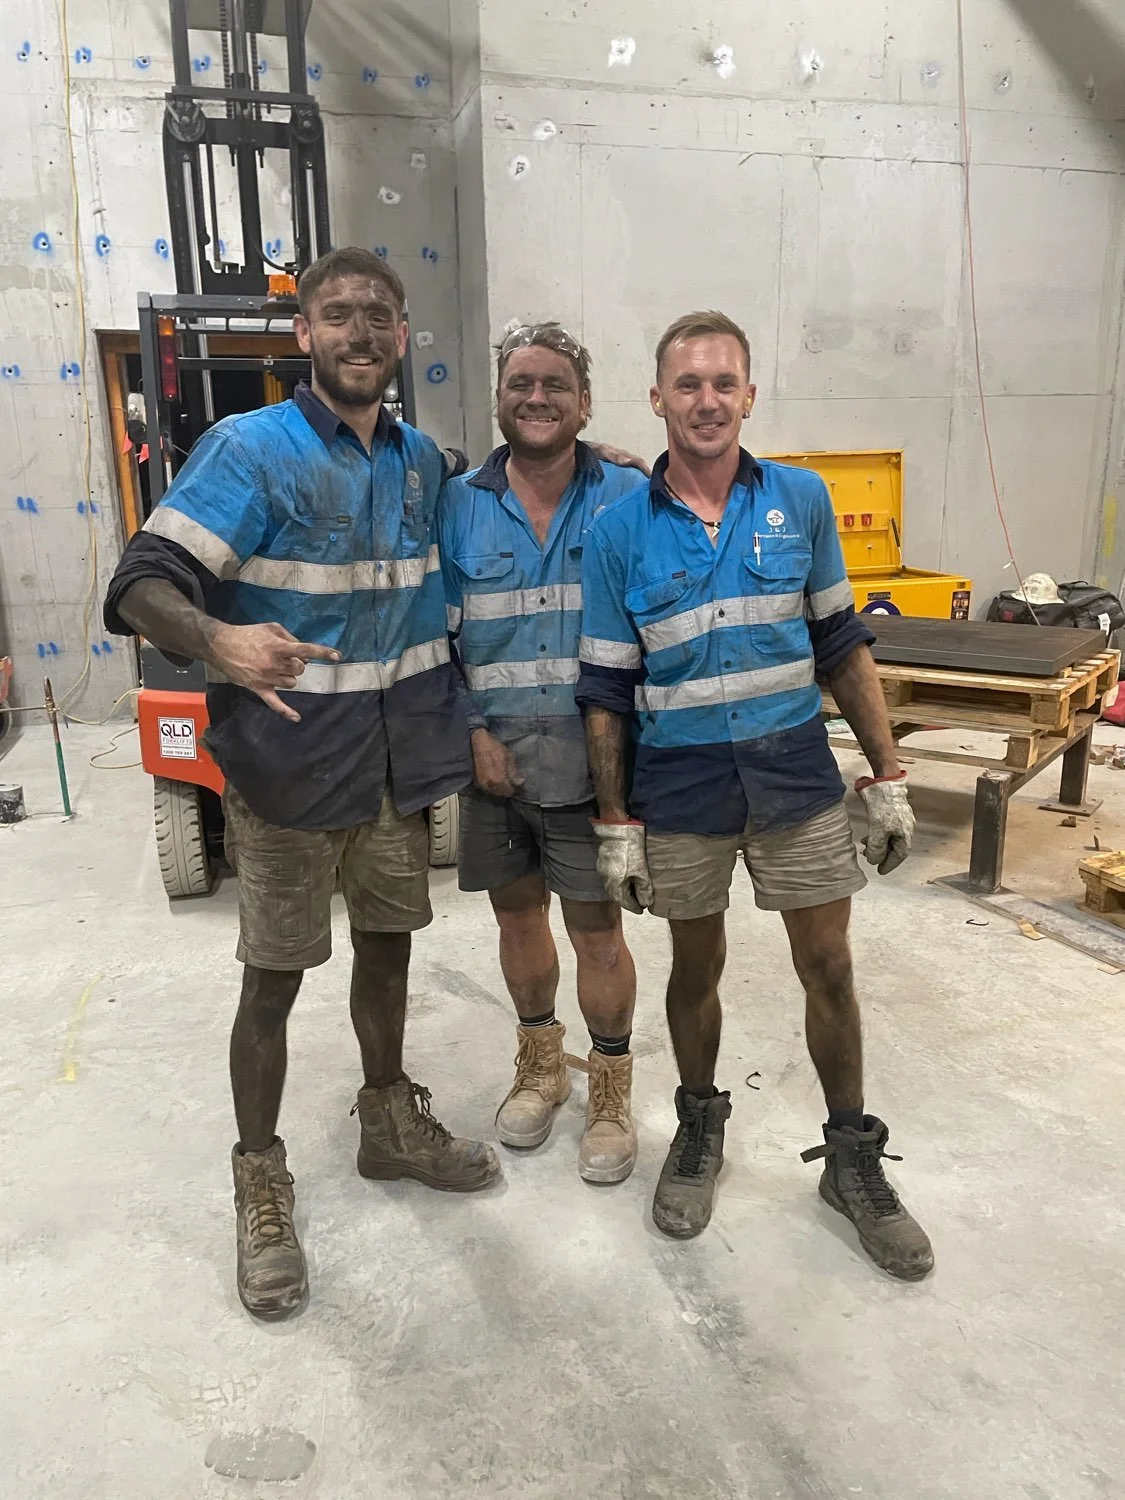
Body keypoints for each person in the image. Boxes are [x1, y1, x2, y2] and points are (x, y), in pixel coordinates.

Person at [104, 248, 502, 1319]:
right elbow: (142, 581)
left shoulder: (422, 463)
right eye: (338, 315)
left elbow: (501, 497)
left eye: (378, 314)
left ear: (403, 333)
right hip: (287, 769)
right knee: (272, 980)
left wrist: (595, 460)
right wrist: (220, 645)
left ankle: (387, 1123)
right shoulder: (251, 449)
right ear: (305, 335)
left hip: (395, 766)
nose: (360, 332)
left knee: (388, 950)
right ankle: (260, 1178)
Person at [575, 310, 933, 1280]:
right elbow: (606, 687)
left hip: (795, 776)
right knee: (697, 970)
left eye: (722, 382)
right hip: (682, 783)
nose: (706, 400)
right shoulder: (616, 534)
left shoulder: (803, 502)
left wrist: (889, 775)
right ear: (657, 400)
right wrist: (616, 824)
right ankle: (700, 1130)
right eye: (687, 384)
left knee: (830, 965)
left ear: (748, 394)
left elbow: (839, 644)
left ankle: (851, 1158)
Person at [440, 324, 642, 1183]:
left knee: (597, 934)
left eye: (555, 383)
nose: (536, 397)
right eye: (520, 382)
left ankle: (608, 1091)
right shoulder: (456, 503)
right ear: (499, 398)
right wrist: (471, 733)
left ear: (583, 402)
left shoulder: (630, 494)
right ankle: (537, 1070)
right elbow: (430, 636)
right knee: (517, 920)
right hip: (494, 766)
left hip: (592, 773)